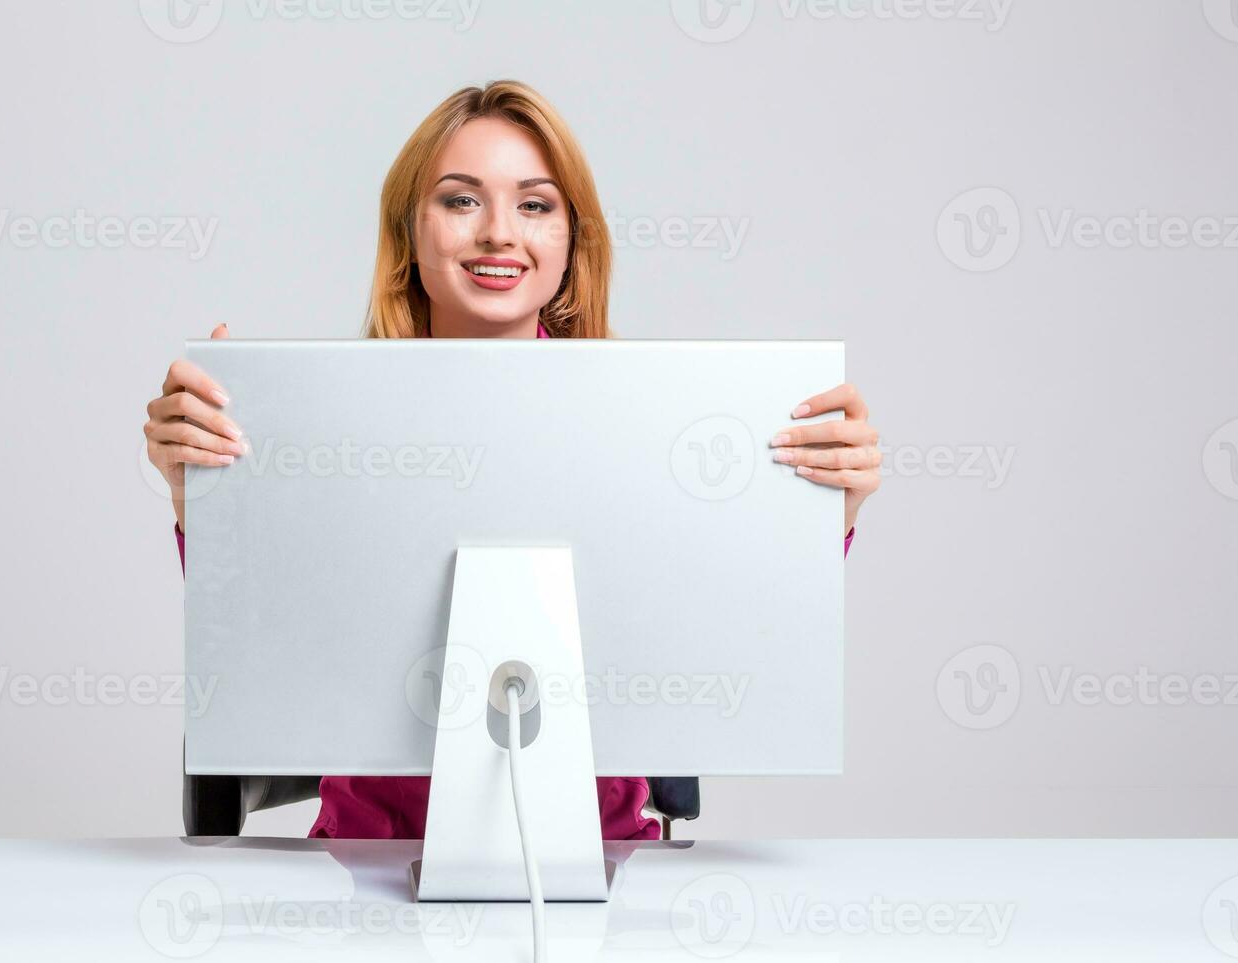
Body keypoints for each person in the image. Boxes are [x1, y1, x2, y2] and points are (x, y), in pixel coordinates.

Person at [144, 80, 881, 840]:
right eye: (461, 200)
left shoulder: (653, 423)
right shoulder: (322, 427)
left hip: (605, 864)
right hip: (365, 864)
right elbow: (265, 645)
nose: (500, 232)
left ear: (570, 241)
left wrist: (824, 517)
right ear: (410, 233)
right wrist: (200, 495)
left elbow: (729, 633)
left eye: (535, 204)